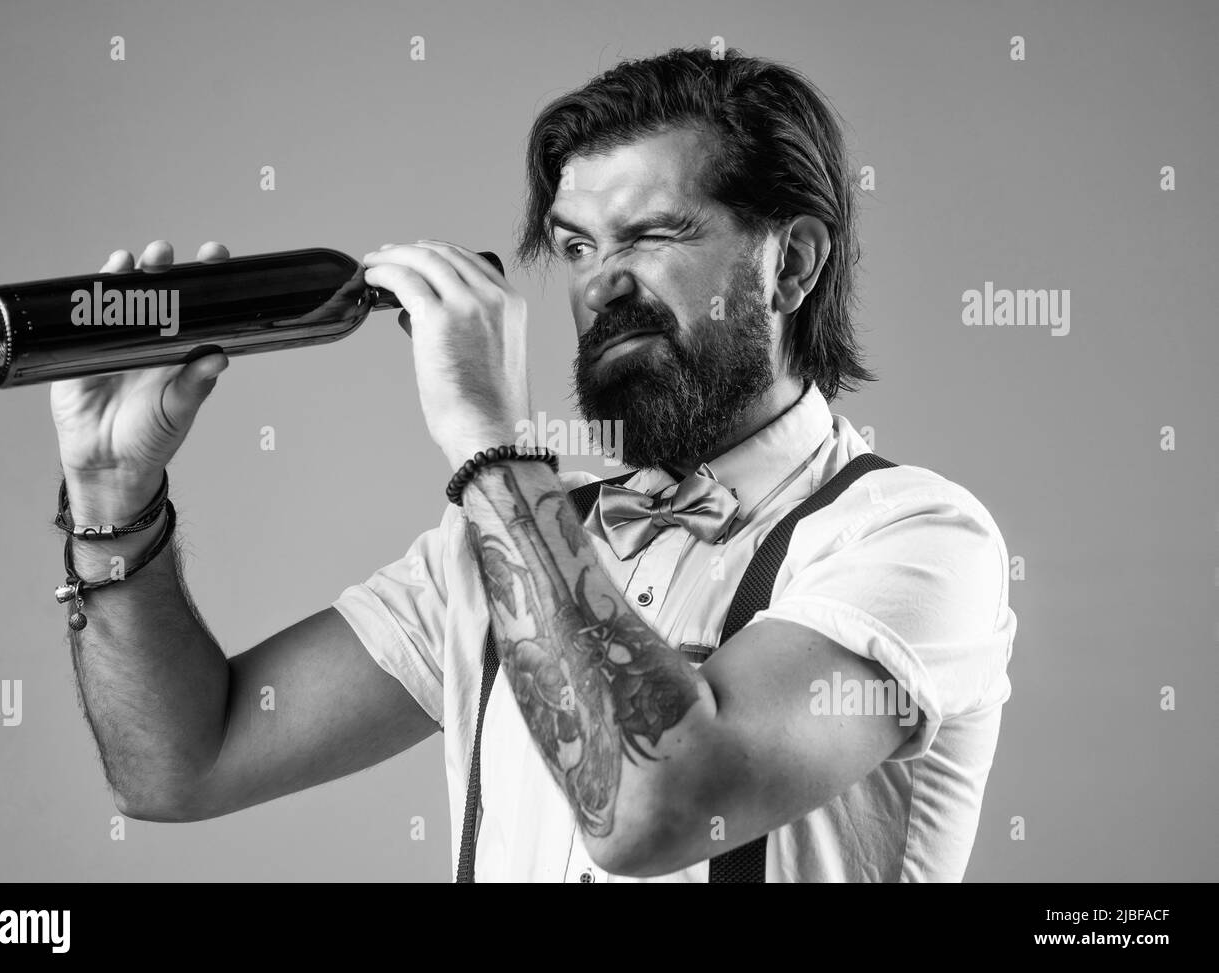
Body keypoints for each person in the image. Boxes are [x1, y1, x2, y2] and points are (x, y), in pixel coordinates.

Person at [53, 47, 1017, 882]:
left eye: (652, 234)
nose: (601, 284)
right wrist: (114, 491)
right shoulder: (497, 537)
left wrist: (486, 437)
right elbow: (182, 763)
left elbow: (652, 808)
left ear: (792, 264)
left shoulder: (914, 538)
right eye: (576, 246)